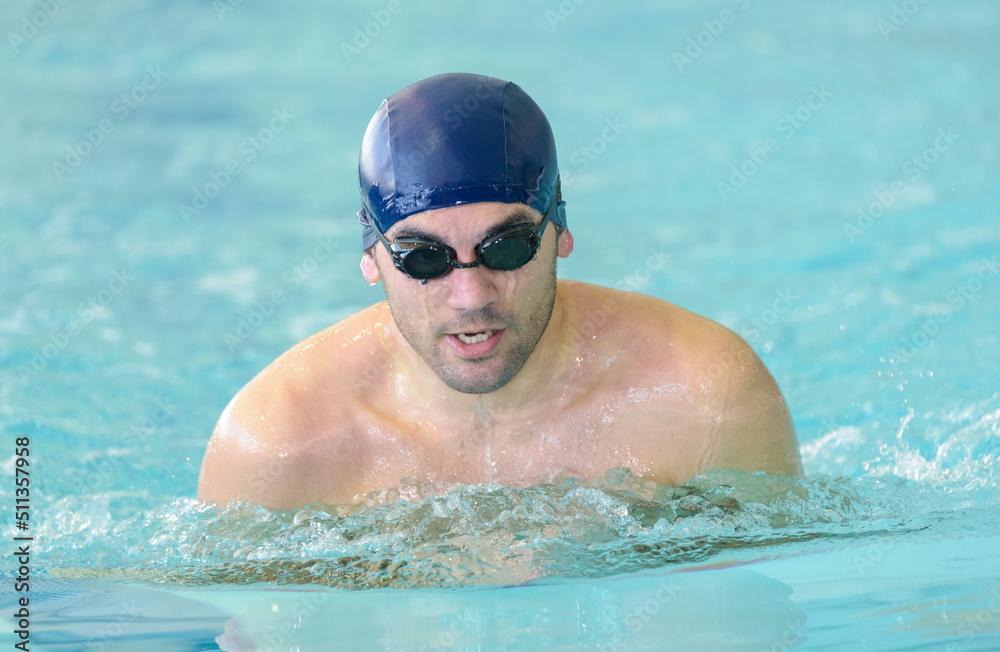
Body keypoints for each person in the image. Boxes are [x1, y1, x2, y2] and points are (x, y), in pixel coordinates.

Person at [197, 73, 802, 510]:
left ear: (559, 231)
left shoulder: (704, 397)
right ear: (371, 257)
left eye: (506, 247)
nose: (470, 296)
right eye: (424, 258)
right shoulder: (275, 444)